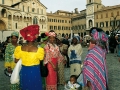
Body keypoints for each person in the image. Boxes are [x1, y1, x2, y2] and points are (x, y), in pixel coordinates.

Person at [14, 25, 44, 90]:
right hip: (34, 71)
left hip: (24, 71)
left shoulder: (19, 48)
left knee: (25, 86)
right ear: (35, 38)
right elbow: (41, 59)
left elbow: (16, 60)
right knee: (35, 86)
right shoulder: (39, 50)